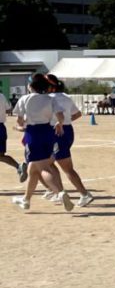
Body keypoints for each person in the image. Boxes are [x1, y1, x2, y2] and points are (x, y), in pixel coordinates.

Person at [11, 73, 72, 212]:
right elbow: (61, 116)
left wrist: (20, 127)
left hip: (33, 133)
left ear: (31, 86)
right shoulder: (51, 99)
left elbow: (19, 121)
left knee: (43, 168)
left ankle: (59, 193)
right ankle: (26, 200)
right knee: (33, 169)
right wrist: (59, 124)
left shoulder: (25, 99)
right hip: (48, 132)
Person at [44, 75, 95, 207]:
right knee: (49, 162)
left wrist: (59, 123)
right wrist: (66, 121)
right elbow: (77, 114)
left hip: (56, 132)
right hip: (67, 130)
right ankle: (59, 192)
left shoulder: (48, 98)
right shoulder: (66, 97)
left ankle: (84, 194)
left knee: (65, 167)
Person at [0, 91, 19, 176]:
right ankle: (18, 166)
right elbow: (8, 110)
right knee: (1, 155)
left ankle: (18, 166)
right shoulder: (1, 96)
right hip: (1, 127)